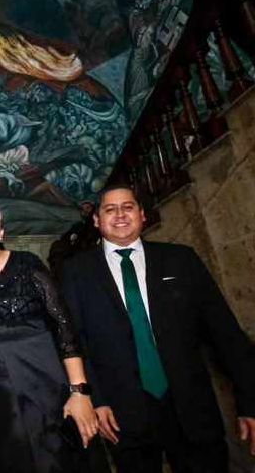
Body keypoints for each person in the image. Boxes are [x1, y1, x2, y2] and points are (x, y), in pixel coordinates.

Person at [61, 184, 255, 473]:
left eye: (128, 207)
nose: (120, 215)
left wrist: (250, 402)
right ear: (97, 220)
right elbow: (75, 341)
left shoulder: (181, 260)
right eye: (110, 209)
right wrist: (95, 400)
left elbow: (225, 334)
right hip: (122, 417)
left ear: (142, 215)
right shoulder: (76, 272)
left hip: (193, 411)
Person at [0, 199, 98, 473]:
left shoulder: (27, 264)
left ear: (2, 232)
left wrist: (79, 390)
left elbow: (62, 324)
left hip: (38, 380)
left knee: (46, 456)